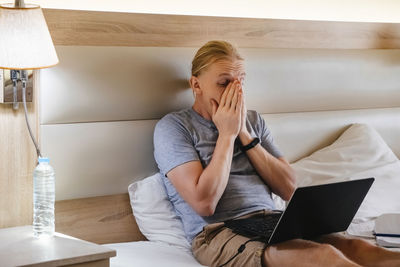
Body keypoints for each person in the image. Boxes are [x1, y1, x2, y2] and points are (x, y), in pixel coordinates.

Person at [153, 40, 400, 267]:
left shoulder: (253, 121)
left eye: (240, 82)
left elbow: (288, 187)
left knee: (359, 247)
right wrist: (227, 135)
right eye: (224, 83)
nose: (235, 92)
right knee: (325, 258)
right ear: (196, 84)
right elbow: (204, 203)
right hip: (218, 232)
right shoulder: (174, 127)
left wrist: (245, 135)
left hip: (274, 220)